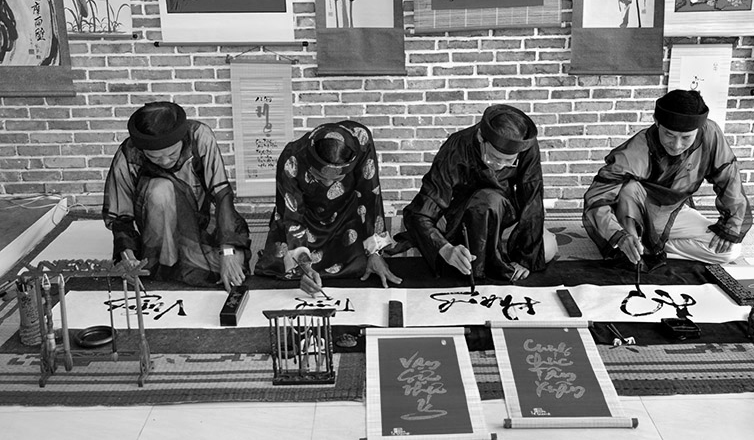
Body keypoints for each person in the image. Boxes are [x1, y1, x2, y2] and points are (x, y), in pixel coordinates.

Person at [583, 89, 752, 268]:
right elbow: (597, 197)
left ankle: (651, 247)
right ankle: (636, 244)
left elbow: (729, 179)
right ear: (657, 122)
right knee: (629, 188)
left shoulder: (710, 134)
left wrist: (732, 226)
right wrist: (619, 235)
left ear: (699, 128)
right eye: (669, 135)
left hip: (672, 211)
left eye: (686, 137)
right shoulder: (638, 149)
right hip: (632, 215)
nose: (677, 145)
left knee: (730, 250)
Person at [103, 101, 251, 291]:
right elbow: (121, 216)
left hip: (202, 221)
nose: (165, 161)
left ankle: (183, 260)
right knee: (160, 189)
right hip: (158, 231)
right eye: (155, 157)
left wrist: (228, 252)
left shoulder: (199, 136)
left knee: (233, 266)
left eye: (172, 154)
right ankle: (167, 261)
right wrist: (128, 257)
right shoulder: (129, 154)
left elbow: (221, 193)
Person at [400, 104, 558, 283]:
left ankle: (492, 248)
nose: (499, 165)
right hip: (459, 219)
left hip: (502, 215)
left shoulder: (524, 146)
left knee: (547, 249)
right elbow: (421, 211)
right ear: (481, 137)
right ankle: (481, 250)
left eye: (508, 161)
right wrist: (445, 248)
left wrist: (525, 259)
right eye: (494, 158)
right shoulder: (456, 146)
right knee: (486, 203)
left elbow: (532, 197)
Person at [254, 120, 400, 294]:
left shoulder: (361, 140)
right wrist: (303, 265)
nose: (328, 184)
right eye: (319, 176)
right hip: (306, 219)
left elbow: (370, 195)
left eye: (337, 179)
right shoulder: (292, 157)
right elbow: (291, 216)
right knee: (284, 267)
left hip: (345, 216)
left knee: (360, 265)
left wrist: (375, 252)